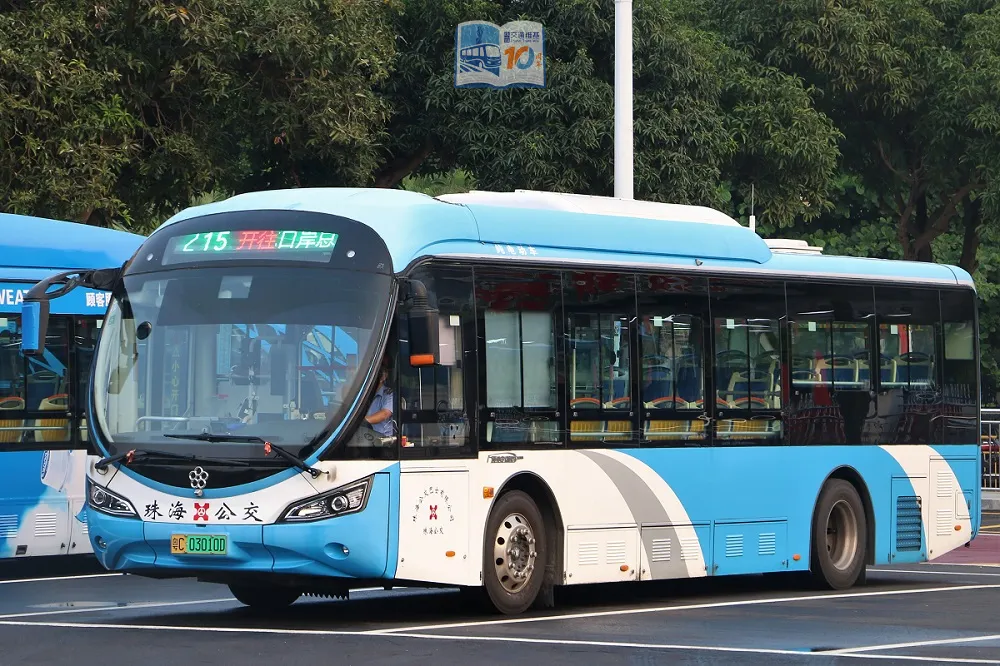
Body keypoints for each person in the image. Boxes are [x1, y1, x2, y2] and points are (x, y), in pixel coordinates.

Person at [364, 362, 394, 437]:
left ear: (383, 377)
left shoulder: (389, 394)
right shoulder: (363, 394)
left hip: (383, 439)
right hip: (365, 436)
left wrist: (361, 422)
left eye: (372, 376)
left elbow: (385, 414)